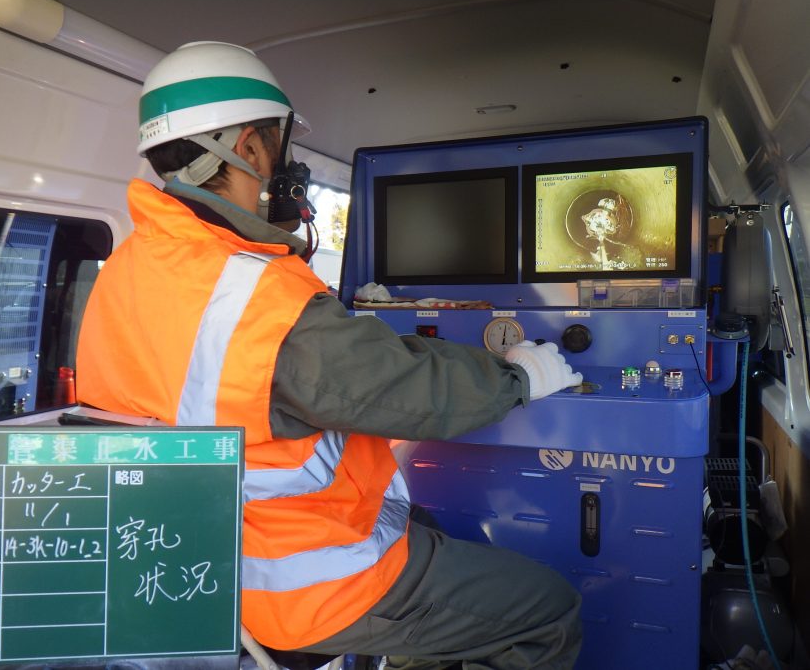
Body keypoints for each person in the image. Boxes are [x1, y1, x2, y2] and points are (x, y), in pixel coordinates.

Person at [76, 41, 583, 670]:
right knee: (548, 612)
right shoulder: (254, 292)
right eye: (279, 145)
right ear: (249, 147)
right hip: (298, 585)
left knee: (429, 528)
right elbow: (405, 392)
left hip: (191, 572)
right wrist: (517, 379)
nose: (284, 166)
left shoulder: (125, 268)